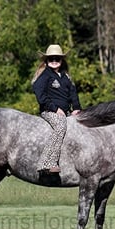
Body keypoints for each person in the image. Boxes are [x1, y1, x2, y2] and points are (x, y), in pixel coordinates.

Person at [31, 44, 82, 173]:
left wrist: (76, 108)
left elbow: (73, 94)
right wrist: (54, 109)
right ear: (46, 61)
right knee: (60, 126)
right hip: (49, 111)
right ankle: (46, 163)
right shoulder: (45, 75)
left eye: (57, 58)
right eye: (51, 58)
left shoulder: (66, 77)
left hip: (66, 112)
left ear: (61, 60)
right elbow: (39, 93)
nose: (54, 61)